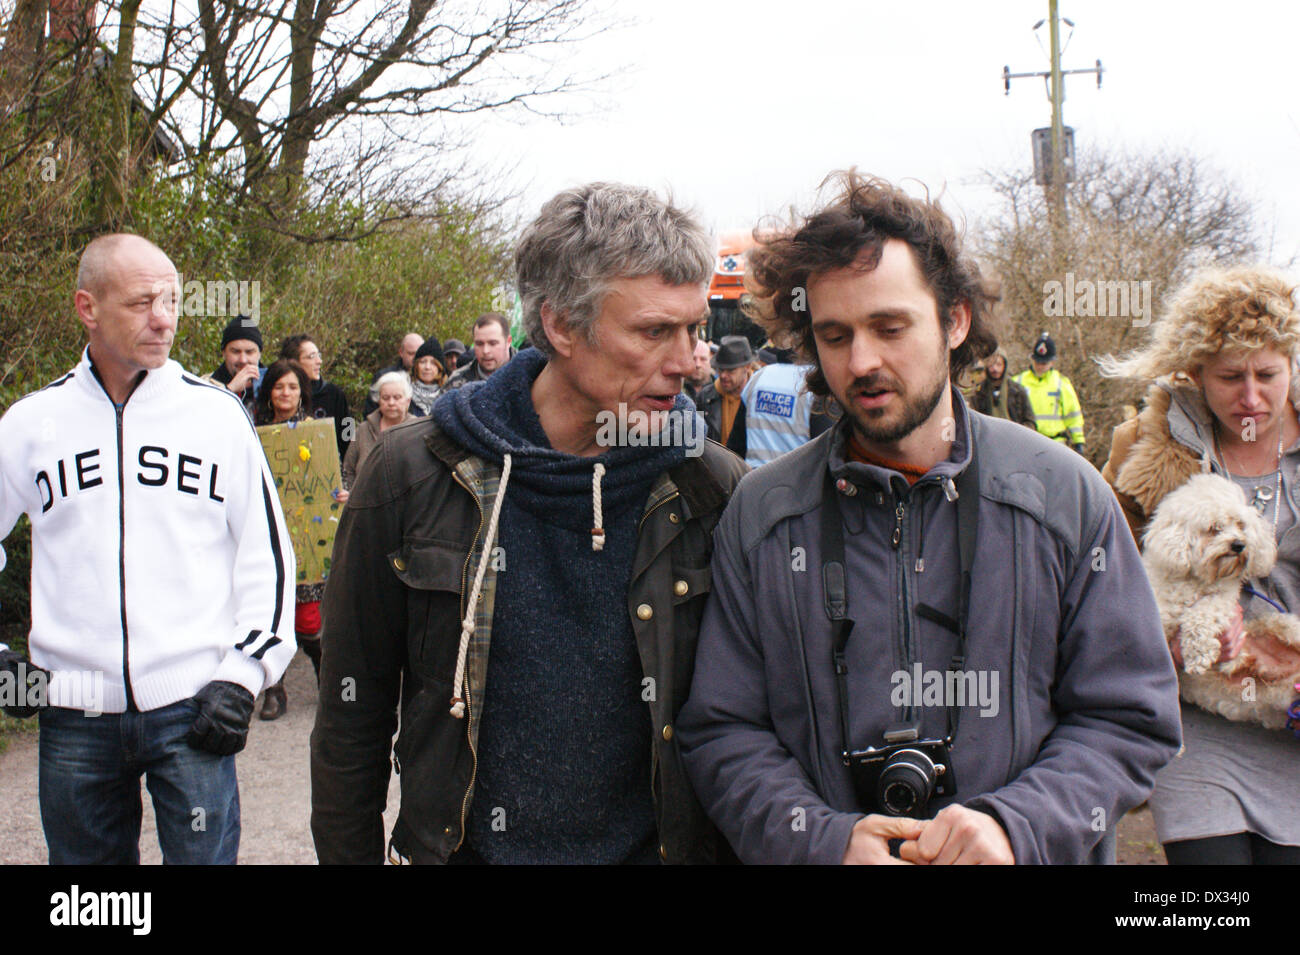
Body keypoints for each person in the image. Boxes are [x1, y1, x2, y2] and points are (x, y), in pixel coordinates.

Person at [675, 171, 1182, 865]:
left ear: (955, 319)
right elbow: (723, 732)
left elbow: (1131, 718)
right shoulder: (761, 516)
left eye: (890, 326)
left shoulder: (1066, 496)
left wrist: (1016, 826)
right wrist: (823, 841)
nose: (862, 361)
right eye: (835, 334)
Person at [310, 181, 746, 865]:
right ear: (560, 326)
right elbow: (350, 716)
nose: (689, 359)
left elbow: (749, 728)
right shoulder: (413, 475)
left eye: (695, 327)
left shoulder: (711, 488)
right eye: (655, 330)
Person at [0, 233, 296, 864]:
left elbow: (265, 555)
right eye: (141, 302)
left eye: (171, 299)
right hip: (73, 713)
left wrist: (247, 672)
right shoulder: (29, 424)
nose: (164, 317)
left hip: (195, 707)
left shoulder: (217, 416)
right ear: (88, 307)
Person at [1099, 264, 1300, 865]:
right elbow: (1099, 579)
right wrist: (1164, 646)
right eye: (1229, 377)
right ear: (1192, 373)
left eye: (1268, 375)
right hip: (1195, 722)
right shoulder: (1144, 449)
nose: (1251, 397)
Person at [251, 359, 324, 719]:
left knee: (308, 622)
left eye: (292, 387)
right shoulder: (251, 429)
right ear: (269, 391)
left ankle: (327, 676)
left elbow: (328, 478)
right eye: (279, 386)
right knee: (267, 616)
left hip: (305, 536)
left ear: (301, 392)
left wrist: (336, 495)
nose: (285, 393)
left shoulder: (315, 431)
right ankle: (274, 691)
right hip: (262, 535)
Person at [725, 348, 834, 467]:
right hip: (797, 479)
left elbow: (735, 445)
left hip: (753, 477)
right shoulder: (815, 383)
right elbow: (827, 449)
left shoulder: (759, 377)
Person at [279, 333, 351, 459]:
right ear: (294, 362)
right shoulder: (282, 395)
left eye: (319, 356)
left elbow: (349, 432)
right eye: (311, 357)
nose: (319, 361)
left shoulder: (334, 394)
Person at [340, 370, 413, 491]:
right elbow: (348, 471)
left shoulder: (418, 429)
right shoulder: (362, 430)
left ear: (408, 401)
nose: (391, 403)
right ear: (378, 400)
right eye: (385, 398)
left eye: (397, 397)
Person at [1013, 332, 1086, 451]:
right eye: (1037, 362)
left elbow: (1073, 414)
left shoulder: (1061, 383)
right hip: (1026, 442)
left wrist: (1078, 441)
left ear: (1052, 362)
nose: (1040, 366)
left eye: (1044, 363)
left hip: (1055, 443)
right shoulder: (1018, 382)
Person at [695, 335, 755, 445]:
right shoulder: (704, 397)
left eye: (730, 371)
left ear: (747, 367)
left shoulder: (758, 397)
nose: (723, 375)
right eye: (720, 369)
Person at [208, 314, 265, 415]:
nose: (243, 360)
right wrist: (229, 389)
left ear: (259, 354)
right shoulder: (205, 385)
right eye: (235, 351)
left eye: (249, 352)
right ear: (224, 353)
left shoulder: (276, 383)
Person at [970, 348, 1036, 430]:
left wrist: (1019, 432)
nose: (995, 369)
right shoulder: (979, 392)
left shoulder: (1017, 390)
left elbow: (1030, 421)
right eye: (991, 365)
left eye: (998, 364)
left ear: (1005, 365)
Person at [444, 313, 515, 389]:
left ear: (508, 342)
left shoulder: (526, 373)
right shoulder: (456, 382)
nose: (485, 351)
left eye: (493, 343)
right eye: (479, 344)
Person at [363, 332, 423, 416]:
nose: (415, 358)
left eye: (418, 353)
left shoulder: (434, 378)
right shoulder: (383, 377)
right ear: (401, 352)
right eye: (410, 353)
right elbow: (370, 412)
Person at [408, 339, 446, 416]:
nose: (427, 367)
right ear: (416, 366)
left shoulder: (447, 396)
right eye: (423, 362)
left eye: (433, 363)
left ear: (440, 367)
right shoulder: (405, 395)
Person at [683, 337, 713, 404]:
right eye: (693, 358)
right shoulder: (673, 391)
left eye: (703, 359)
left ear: (711, 362)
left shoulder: (721, 391)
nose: (698, 365)